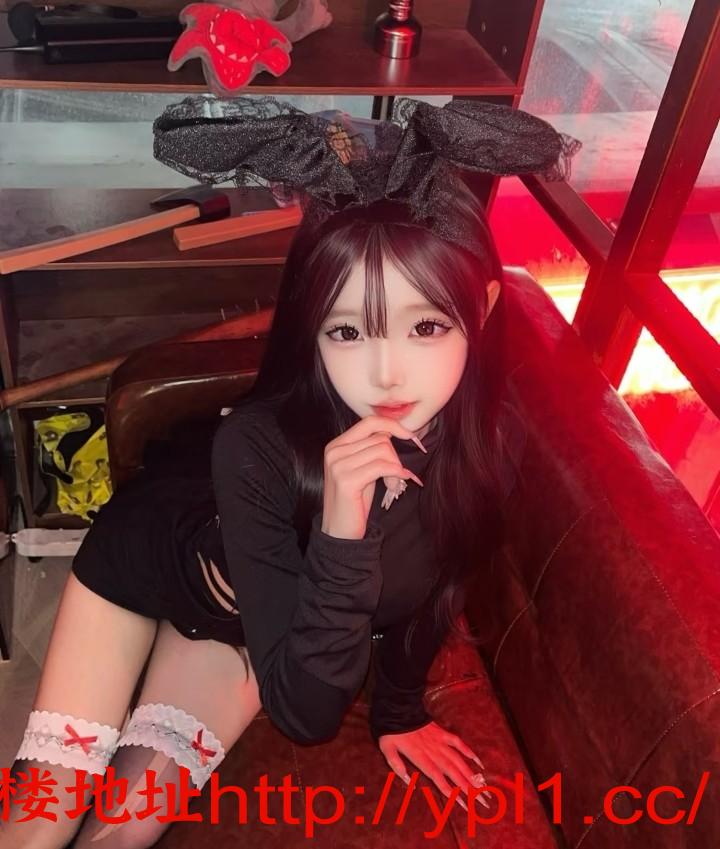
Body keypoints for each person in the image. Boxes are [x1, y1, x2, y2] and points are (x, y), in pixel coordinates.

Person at [0, 96, 579, 849]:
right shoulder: (256, 443)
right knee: (39, 826)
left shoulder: (487, 447)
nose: (386, 371)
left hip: (248, 629)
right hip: (153, 566)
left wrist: (398, 709)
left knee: (120, 835)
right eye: (348, 330)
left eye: (426, 325)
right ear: (313, 331)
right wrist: (340, 529)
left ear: (486, 306)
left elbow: (320, 701)